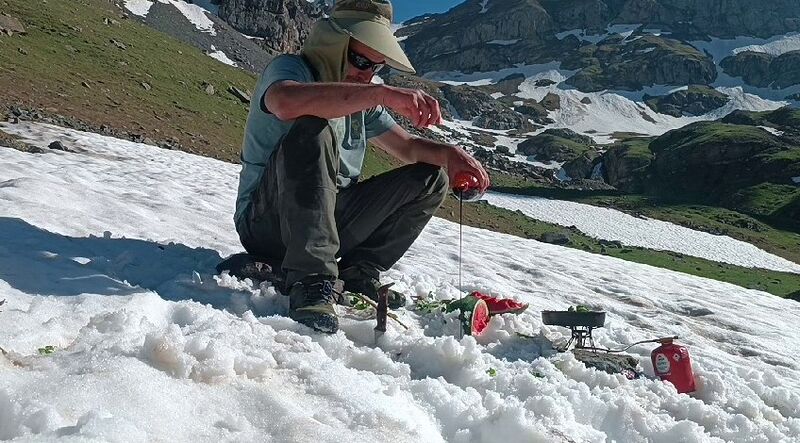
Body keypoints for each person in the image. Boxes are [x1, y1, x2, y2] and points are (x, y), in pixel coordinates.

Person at [234, 0, 489, 333]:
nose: (366, 74)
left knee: (430, 178)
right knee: (313, 127)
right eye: (359, 60)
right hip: (265, 223)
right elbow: (285, 102)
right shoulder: (292, 69)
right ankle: (311, 281)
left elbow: (409, 148)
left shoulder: (362, 98)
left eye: (376, 67)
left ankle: (358, 273)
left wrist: (451, 155)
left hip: (329, 220)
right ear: (334, 44)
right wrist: (381, 95)